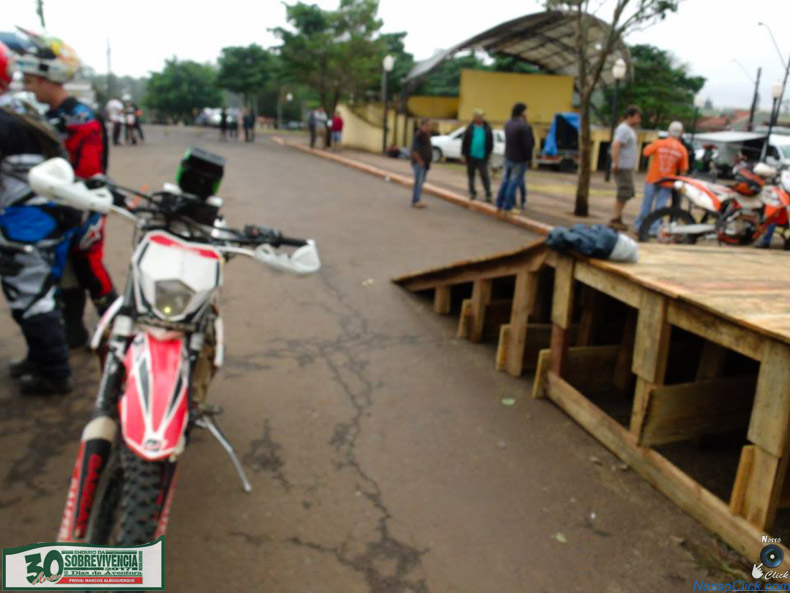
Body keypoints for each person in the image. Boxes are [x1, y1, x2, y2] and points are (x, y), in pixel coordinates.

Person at [18, 29, 118, 348]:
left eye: (31, 81)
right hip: (54, 207)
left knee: (89, 267)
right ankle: (73, 332)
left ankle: (117, 333)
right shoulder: (45, 115)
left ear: (49, 79)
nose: (26, 87)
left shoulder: (81, 118)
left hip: (83, 206)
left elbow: (89, 173)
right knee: (66, 275)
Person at [0, 41, 79, 394]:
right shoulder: (22, 109)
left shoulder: (6, 118)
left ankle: (54, 372)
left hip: (24, 223)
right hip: (42, 217)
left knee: (33, 299)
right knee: (35, 295)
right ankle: (40, 358)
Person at [634, 121, 689, 233]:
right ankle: (653, 229)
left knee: (646, 204)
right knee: (660, 206)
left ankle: (640, 227)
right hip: (668, 181)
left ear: (669, 131)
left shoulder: (659, 143)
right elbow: (684, 169)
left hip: (653, 178)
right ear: (681, 133)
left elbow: (646, 152)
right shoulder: (682, 149)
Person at [496, 102, 535, 215]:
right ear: (522, 112)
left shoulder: (508, 123)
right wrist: (528, 158)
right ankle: (508, 205)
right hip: (519, 159)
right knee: (513, 182)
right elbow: (528, 145)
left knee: (505, 181)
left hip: (508, 156)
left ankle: (499, 203)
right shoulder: (524, 126)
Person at [608, 105, 642, 230]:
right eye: (637, 117)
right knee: (623, 193)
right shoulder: (624, 129)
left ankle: (618, 217)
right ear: (630, 116)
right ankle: (614, 218)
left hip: (626, 166)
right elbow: (616, 146)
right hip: (622, 166)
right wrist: (616, 163)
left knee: (627, 193)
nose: (639, 120)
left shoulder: (628, 129)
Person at [461, 108, 493, 202]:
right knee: (471, 175)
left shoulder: (487, 128)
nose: (480, 118)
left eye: (481, 116)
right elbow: (465, 142)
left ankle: (488, 194)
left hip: (482, 156)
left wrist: (489, 153)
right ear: (474, 117)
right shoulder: (470, 128)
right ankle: (472, 193)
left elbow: (491, 142)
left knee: (484, 175)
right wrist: (463, 154)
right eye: (478, 116)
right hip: (471, 156)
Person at [410, 119, 433, 209]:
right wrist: (419, 161)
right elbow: (414, 150)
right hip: (419, 163)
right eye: (427, 125)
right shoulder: (419, 135)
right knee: (418, 182)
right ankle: (416, 200)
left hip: (425, 163)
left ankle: (418, 199)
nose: (428, 127)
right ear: (422, 126)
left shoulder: (426, 136)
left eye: (429, 125)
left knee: (421, 182)